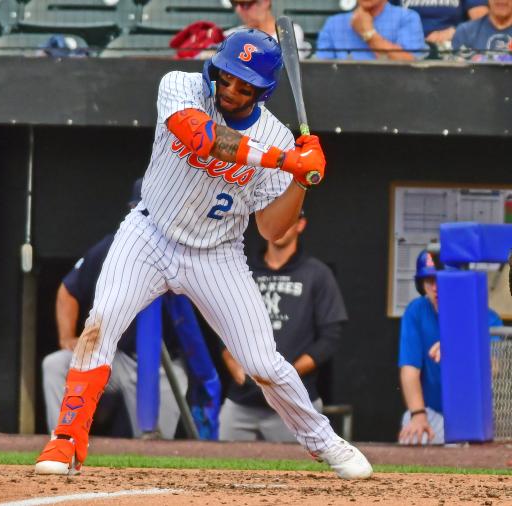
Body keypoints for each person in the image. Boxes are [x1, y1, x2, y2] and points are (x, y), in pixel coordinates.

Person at [36, 28, 372, 480]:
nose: (232, 90)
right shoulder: (181, 86)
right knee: (102, 322)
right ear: (215, 68)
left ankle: (326, 443)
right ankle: (66, 439)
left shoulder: (276, 136)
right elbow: (201, 138)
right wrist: (286, 160)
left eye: (245, 85)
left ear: (263, 90)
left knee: (262, 363)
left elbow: (272, 228)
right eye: (227, 77)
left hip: (217, 252)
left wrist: (302, 180)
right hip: (149, 231)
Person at [41, 178, 210, 440]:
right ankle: (63, 440)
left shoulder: (186, 249)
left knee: (157, 446)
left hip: (163, 365)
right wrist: (66, 337)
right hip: (116, 356)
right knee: (55, 365)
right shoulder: (112, 247)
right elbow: (68, 290)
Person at [219, 210, 348, 442]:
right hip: (242, 400)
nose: (278, 226)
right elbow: (222, 321)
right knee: (219, 470)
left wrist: (286, 375)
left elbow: (330, 337)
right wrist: (232, 362)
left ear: (301, 224)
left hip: (294, 401)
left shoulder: (317, 273)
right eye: (272, 219)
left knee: (299, 474)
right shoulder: (242, 269)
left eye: (286, 220)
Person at [398, 250, 503, 445]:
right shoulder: (417, 311)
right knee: (413, 432)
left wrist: (460, 347)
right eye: (429, 280)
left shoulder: (485, 315)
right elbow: (409, 370)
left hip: (477, 417)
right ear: (421, 284)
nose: (436, 287)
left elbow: (495, 369)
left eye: (443, 280)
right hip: (435, 412)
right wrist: (418, 413)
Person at [315, 0, 428, 60]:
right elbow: (321, 69)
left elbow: (411, 65)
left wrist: (369, 35)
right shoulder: (334, 23)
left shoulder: (407, 18)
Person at [224, 0, 311, 59]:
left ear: (265, 1)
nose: (239, 10)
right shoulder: (232, 34)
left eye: (246, 4)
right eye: (235, 4)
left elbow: (290, 69)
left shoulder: (289, 31)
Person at [390, 0, 488, 46]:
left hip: (450, 47)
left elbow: (483, 21)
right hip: (405, 46)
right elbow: (383, 15)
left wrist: (457, 32)